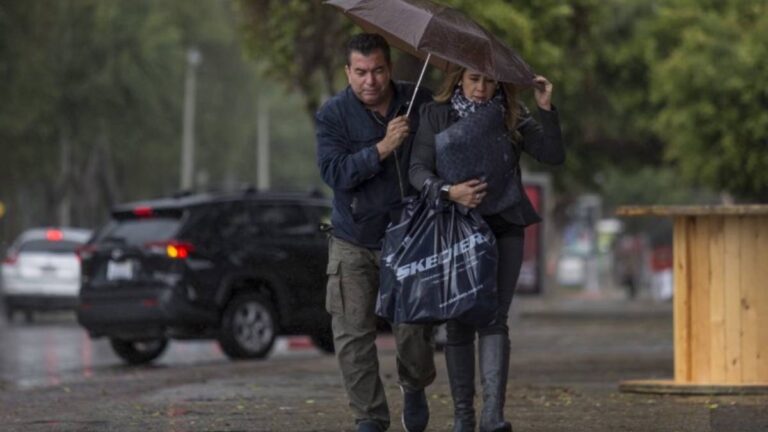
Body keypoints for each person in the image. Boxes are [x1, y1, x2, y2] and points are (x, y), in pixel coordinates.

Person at [409, 67, 565, 432]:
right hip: (455, 227)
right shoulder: (436, 113)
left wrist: (546, 108)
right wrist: (450, 192)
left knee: (495, 318)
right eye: (475, 78)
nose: (481, 88)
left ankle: (492, 415)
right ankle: (463, 417)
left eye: (490, 80)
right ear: (459, 78)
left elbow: (553, 155)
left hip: (504, 225)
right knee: (459, 321)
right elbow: (417, 169)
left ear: (500, 83)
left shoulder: (512, 115)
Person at [315, 33, 436, 432]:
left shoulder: (419, 102)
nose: (371, 81)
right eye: (361, 72)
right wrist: (384, 147)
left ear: (390, 68)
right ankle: (369, 416)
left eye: (378, 71)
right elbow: (335, 173)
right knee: (352, 337)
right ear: (348, 72)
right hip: (352, 238)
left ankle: (414, 386)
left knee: (414, 330)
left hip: (408, 238)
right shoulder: (333, 114)